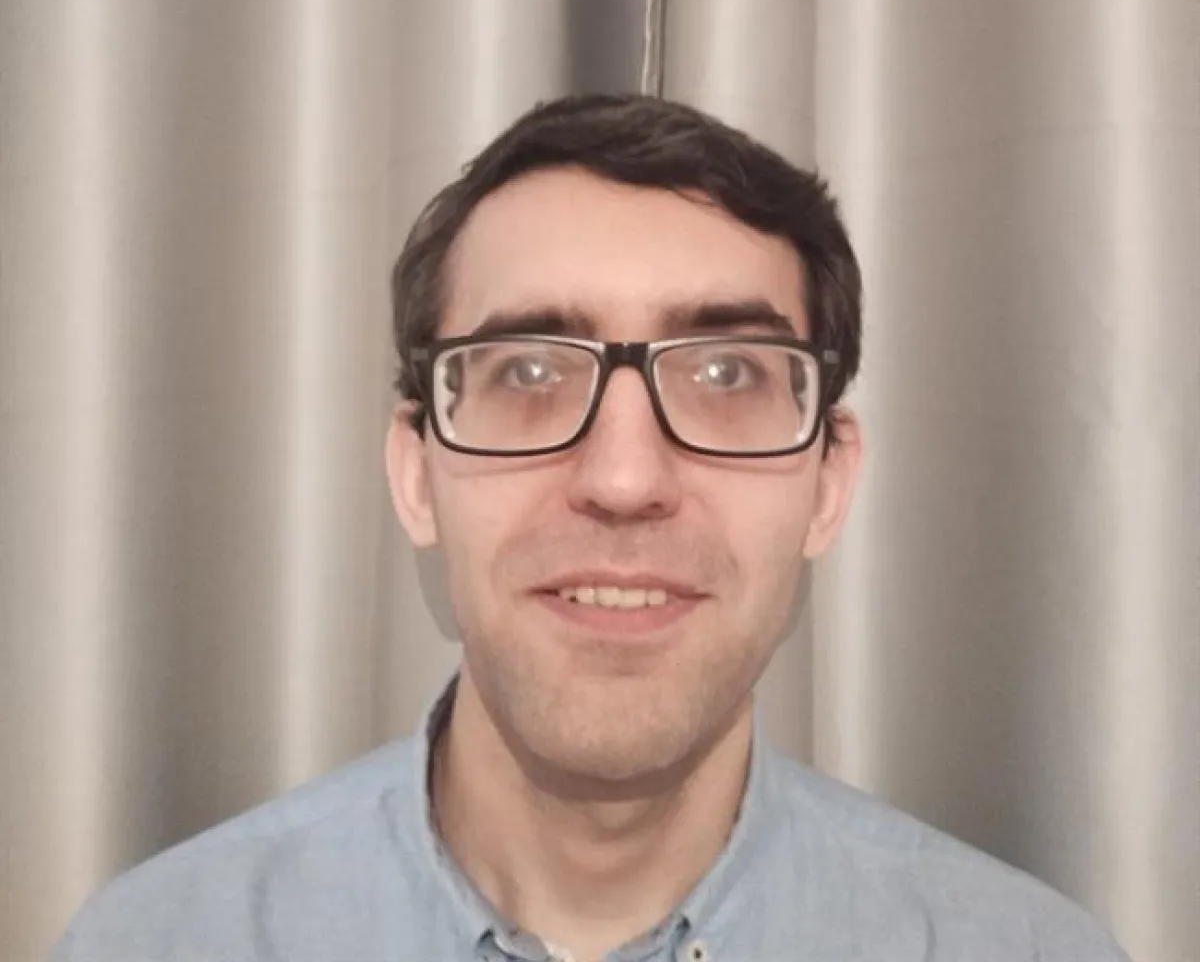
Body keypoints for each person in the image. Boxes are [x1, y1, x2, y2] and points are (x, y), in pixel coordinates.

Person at [53, 95, 1129, 962]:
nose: (624, 478)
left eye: (727, 375)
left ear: (828, 483)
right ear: (416, 472)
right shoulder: (158, 944)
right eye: (528, 373)